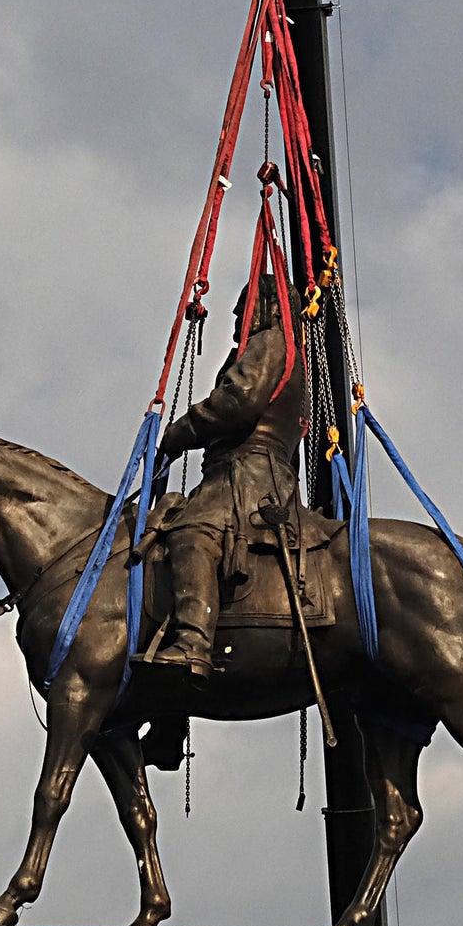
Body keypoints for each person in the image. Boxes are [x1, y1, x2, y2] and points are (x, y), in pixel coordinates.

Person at [142, 275, 306, 678]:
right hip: (254, 471)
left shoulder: (269, 344)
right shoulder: (286, 353)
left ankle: (193, 644)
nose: (235, 316)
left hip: (246, 474)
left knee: (191, 533)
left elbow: (238, 402)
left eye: (243, 307)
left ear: (266, 308)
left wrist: (179, 432)